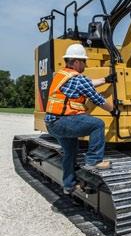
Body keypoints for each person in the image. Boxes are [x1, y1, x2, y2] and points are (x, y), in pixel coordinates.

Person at [45, 43, 115, 194]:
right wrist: (113, 110)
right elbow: (97, 99)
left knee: (70, 152)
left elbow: (87, 84)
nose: (85, 64)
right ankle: (94, 160)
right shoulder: (77, 78)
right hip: (63, 122)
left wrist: (106, 79)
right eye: (84, 61)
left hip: (52, 123)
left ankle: (69, 185)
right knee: (97, 124)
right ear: (77, 62)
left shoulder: (62, 74)